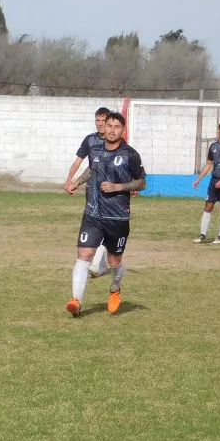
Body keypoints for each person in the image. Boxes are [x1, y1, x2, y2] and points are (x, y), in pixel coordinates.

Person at [65, 112, 145, 317]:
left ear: (123, 130)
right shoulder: (95, 149)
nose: (111, 130)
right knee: (84, 255)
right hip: (92, 214)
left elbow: (141, 182)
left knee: (113, 261)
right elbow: (92, 170)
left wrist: (118, 186)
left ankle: (115, 289)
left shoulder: (130, 154)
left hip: (117, 218)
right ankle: (76, 300)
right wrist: (76, 182)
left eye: (116, 126)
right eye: (108, 125)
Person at [63, 107, 113, 277]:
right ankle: (100, 262)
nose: (100, 124)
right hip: (92, 190)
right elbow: (81, 162)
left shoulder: (114, 141)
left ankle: (96, 263)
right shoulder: (90, 140)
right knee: (96, 224)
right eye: (97, 121)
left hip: (109, 191)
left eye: (103, 121)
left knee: (105, 224)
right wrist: (71, 180)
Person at [193, 121, 220, 245]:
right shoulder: (213, 146)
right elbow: (209, 164)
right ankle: (202, 235)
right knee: (208, 207)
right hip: (214, 181)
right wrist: (198, 178)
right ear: (218, 130)